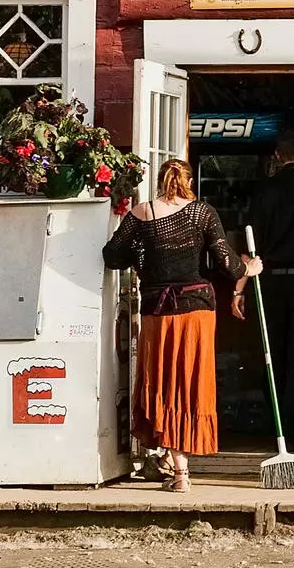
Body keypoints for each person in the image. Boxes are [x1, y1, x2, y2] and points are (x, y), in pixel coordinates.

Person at [102, 159, 260, 492]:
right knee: (190, 385)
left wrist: (144, 256)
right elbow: (228, 263)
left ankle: (172, 467)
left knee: (163, 384)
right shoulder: (202, 212)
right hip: (197, 310)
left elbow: (112, 255)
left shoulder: (143, 213)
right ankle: (177, 469)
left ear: (161, 181)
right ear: (189, 182)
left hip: (158, 311)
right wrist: (251, 268)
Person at [238, 128, 294, 446]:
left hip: (270, 279)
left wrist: (240, 288)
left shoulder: (265, 192)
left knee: (271, 352)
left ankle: (277, 425)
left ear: (278, 156)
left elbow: (248, 244)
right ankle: (293, 423)